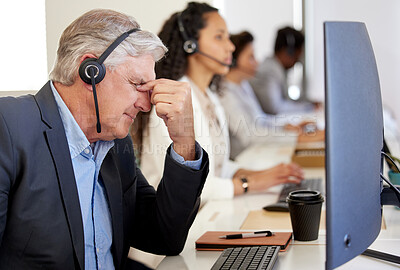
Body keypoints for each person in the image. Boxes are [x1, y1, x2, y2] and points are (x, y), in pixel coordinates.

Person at [0, 9, 210, 270]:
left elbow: (164, 237)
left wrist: (184, 142)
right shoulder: (9, 127)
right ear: (90, 70)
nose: (147, 105)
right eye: (137, 84)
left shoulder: (114, 143)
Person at [134, 2, 304, 202]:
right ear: (191, 45)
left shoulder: (210, 96)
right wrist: (249, 184)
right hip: (179, 224)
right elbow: (179, 184)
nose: (230, 46)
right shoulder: (171, 103)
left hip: (207, 212)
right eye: (219, 37)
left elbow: (217, 167)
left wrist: (262, 174)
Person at [249, 26, 316, 115]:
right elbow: (275, 108)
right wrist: (308, 107)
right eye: (298, 56)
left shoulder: (277, 69)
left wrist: (308, 103)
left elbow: (285, 100)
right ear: (289, 51)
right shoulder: (269, 71)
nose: (298, 61)